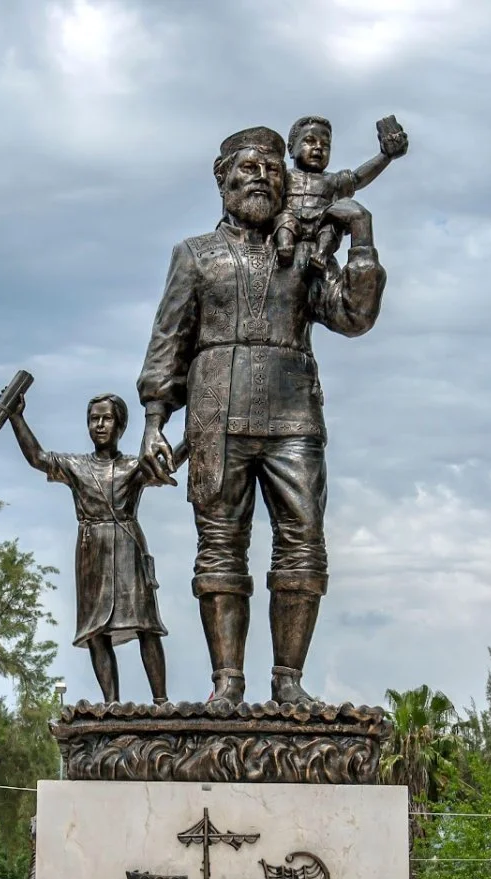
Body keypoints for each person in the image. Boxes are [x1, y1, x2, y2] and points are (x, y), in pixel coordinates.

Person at [138, 124, 390, 705]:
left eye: (273, 170)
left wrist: (361, 236)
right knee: (220, 544)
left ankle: (289, 683)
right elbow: (168, 339)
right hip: (214, 415)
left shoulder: (305, 254)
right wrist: (154, 419)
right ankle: (226, 683)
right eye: (249, 168)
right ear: (222, 178)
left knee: (303, 541)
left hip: (294, 415)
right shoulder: (195, 255)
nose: (262, 178)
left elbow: (354, 316)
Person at [4, 389, 182, 704]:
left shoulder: (132, 466)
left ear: (121, 426)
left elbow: (166, 465)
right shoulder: (75, 465)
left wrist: (194, 437)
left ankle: (161, 701)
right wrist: (16, 417)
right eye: (93, 419)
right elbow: (38, 458)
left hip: (127, 545)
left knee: (146, 623)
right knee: (96, 630)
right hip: (91, 549)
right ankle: (111, 704)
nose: (99, 425)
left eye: (107, 418)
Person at [275, 114, 408, 271]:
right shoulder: (281, 176)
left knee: (332, 227)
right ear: (291, 149)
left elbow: (358, 178)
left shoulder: (334, 180)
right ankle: (285, 246)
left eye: (325, 145)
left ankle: (321, 255)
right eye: (310, 141)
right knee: (284, 220)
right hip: (291, 221)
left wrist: (385, 156)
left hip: (320, 224)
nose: (318, 147)